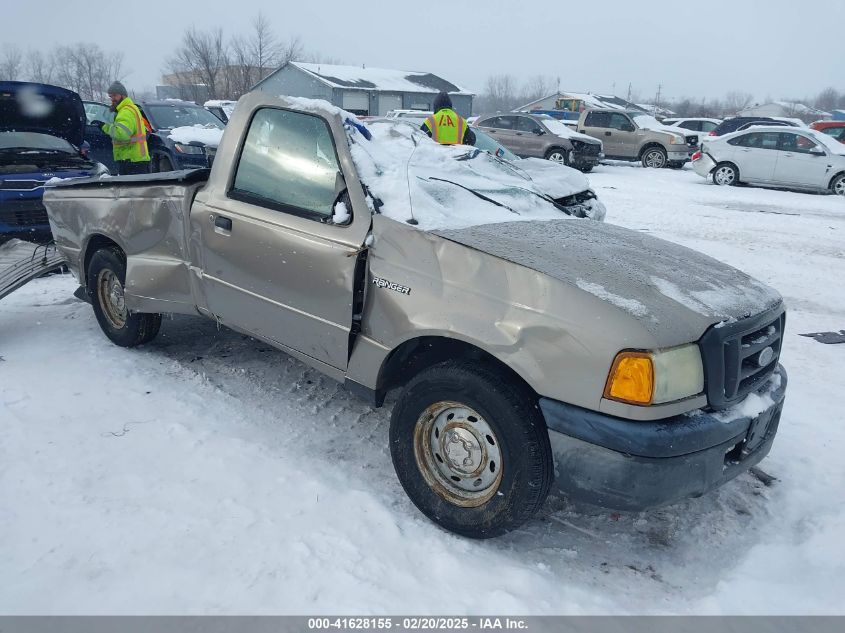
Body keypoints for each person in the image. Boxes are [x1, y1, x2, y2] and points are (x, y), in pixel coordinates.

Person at [97, 81, 151, 175]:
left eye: (115, 95)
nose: (112, 99)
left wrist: (104, 127)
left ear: (123, 96)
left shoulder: (125, 111)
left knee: (131, 189)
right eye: (111, 96)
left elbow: (122, 134)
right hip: (136, 159)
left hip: (131, 160)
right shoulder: (130, 108)